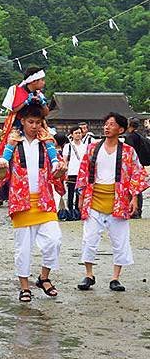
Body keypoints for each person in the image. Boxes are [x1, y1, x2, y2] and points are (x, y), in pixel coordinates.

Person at [0, 104, 67, 302]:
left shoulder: (46, 143)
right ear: (23, 121)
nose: (34, 126)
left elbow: (57, 171)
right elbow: (0, 174)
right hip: (21, 202)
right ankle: (24, 286)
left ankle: (44, 277)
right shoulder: (13, 144)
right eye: (30, 122)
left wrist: (60, 170)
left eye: (38, 122)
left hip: (44, 202)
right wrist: (0, 168)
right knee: (23, 249)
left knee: (54, 240)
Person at [75, 113, 149, 292]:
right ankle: (89, 274)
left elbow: (138, 174)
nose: (107, 127)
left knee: (120, 239)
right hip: (94, 197)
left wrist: (134, 198)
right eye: (106, 124)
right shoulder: (93, 148)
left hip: (119, 199)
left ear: (121, 129)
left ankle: (115, 277)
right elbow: (83, 173)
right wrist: (80, 197)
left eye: (112, 124)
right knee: (89, 238)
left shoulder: (128, 151)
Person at [0, 67, 59, 170]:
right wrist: (26, 101)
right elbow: (12, 110)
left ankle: (54, 162)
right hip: (19, 124)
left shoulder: (39, 94)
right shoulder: (16, 90)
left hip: (36, 124)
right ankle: (4, 161)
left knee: (48, 139)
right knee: (12, 139)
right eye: (42, 80)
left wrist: (42, 102)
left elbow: (46, 113)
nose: (44, 83)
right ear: (34, 81)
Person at [124, 117, 149, 218]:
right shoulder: (141, 136)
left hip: (131, 166)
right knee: (138, 188)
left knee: (131, 188)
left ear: (129, 124)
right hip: (140, 165)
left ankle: (133, 211)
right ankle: (138, 210)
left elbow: (128, 153)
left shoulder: (129, 137)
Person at [62, 126, 87, 220]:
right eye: (76, 133)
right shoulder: (68, 146)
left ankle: (77, 211)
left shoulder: (85, 146)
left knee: (79, 193)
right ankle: (70, 212)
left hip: (82, 172)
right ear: (72, 135)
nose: (78, 135)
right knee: (70, 193)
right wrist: (65, 171)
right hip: (71, 171)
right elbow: (65, 159)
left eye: (79, 133)